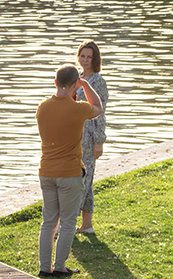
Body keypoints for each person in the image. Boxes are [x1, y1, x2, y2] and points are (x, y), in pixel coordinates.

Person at [37, 62, 104, 277]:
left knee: (48, 222)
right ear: (75, 84)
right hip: (70, 173)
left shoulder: (42, 107)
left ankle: (44, 267)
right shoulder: (79, 108)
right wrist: (86, 85)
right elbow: (98, 107)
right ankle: (59, 266)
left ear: (55, 82)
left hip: (47, 171)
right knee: (67, 222)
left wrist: (76, 86)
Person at [75, 40, 108, 234]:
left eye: (89, 57)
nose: (85, 60)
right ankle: (87, 225)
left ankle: (68, 223)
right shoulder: (76, 77)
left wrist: (99, 141)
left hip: (88, 136)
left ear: (95, 59)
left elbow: (101, 113)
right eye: (82, 56)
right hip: (75, 134)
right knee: (86, 178)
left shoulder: (98, 81)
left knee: (82, 179)